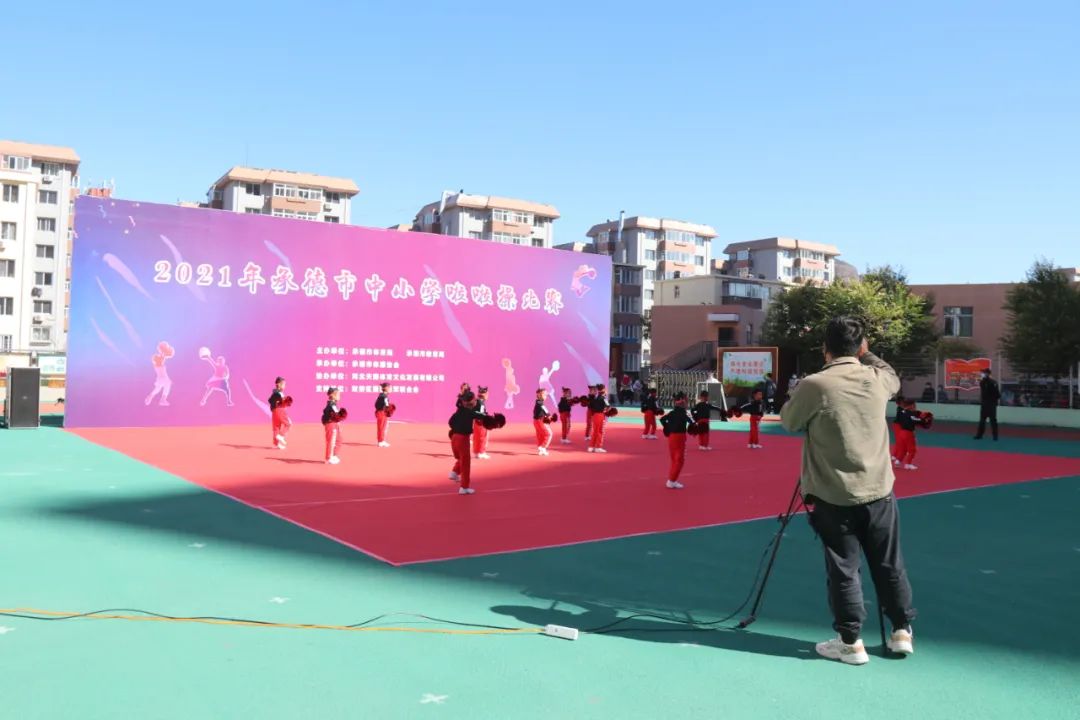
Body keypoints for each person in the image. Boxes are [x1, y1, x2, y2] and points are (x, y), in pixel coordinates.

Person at [780, 317, 916, 666]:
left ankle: (850, 641)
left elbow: (789, 421)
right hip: (879, 490)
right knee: (889, 563)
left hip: (833, 494)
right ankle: (901, 630)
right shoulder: (876, 378)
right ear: (861, 347)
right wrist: (866, 355)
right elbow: (892, 375)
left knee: (844, 568)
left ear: (824, 348)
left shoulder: (815, 384)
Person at [448, 391, 490, 495]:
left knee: (461, 458)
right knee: (466, 463)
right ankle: (464, 487)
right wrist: (481, 404)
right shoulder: (470, 412)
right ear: (470, 401)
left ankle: (454, 472)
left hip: (454, 438)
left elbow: (450, 422)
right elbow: (481, 416)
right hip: (463, 439)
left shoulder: (459, 410)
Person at [659, 391, 694, 489]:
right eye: (686, 401)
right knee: (680, 460)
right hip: (680, 438)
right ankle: (671, 481)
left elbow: (662, 419)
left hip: (671, 437)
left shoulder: (672, 413)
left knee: (674, 459)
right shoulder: (684, 413)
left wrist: (667, 427)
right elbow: (692, 422)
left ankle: (672, 479)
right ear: (683, 402)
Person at [892, 398, 920, 470]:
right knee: (912, 450)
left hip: (902, 432)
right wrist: (924, 420)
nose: (915, 406)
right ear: (911, 406)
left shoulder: (902, 412)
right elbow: (917, 421)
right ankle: (908, 464)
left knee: (903, 449)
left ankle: (898, 461)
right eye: (914, 405)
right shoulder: (911, 414)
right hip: (908, 433)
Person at [321, 387, 346, 465]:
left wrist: (339, 420)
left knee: (339, 440)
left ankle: (333, 455)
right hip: (330, 424)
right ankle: (328, 458)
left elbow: (336, 416)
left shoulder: (334, 404)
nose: (339, 396)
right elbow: (329, 415)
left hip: (334, 424)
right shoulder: (331, 405)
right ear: (332, 395)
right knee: (331, 441)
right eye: (338, 394)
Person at [974, 368, 1000, 441]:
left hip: (991, 404)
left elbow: (997, 394)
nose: (982, 374)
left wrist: (993, 400)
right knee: (982, 420)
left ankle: (995, 436)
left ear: (988, 374)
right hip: (985, 404)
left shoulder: (993, 382)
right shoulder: (983, 382)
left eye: (984, 373)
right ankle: (979, 435)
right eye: (982, 373)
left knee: (992, 420)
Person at [268, 376, 292, 449]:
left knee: (276, 427)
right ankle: (281, 435)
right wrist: (286, 402)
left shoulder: (274, 393)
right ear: (279, 384)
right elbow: (281, 403)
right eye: (284, 384)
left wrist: (285, 402)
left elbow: (270, 401)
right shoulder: (279, 393)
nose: (285, 386)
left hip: (274, 412)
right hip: (280, 410)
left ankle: (275, 444)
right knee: (288, 424)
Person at [587, 384, 611, 453]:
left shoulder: (595, 398)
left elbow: (591, 406)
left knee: (595, 431)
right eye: (605, 389)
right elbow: (609, 407)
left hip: (594, 416)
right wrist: (605, 411)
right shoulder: (604, 398)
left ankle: (591, 447)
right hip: (600, 416)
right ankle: (598, 447)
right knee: (600, 431)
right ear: (603, 390)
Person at [532, 388, 554, 456]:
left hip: (536, 421)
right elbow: (544, 408)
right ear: (538, 395)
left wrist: (546, 416)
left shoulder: (538, 402)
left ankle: (540, 449)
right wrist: (549, 415)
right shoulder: (540, 403)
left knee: (540, 435)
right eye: (544, 394)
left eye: (546, 395)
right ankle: (543, 447)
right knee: (549, 434)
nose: (546, 396)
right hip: (540, 421)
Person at [472, 386, 492, 459]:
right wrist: (487, 416)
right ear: (484, 394)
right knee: (482, 437)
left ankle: (476, 452)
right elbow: (481, 413)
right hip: (481, 423)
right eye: (487, 394)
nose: (487, 396)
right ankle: (481, 452)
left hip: (476, 422)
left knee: (476, 437)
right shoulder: (481, 403)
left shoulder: (477, 401)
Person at [374, 382, 392, 448]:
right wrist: (385, 410)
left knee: (383, 427)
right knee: (381, 427)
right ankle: (380, 441)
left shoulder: (383, 396)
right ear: (386, 388)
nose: (391, 389)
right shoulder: (383, 396)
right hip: (381, 413)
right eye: (390, 388)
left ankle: (382, 440)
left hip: (383, 412)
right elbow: (377, 405)